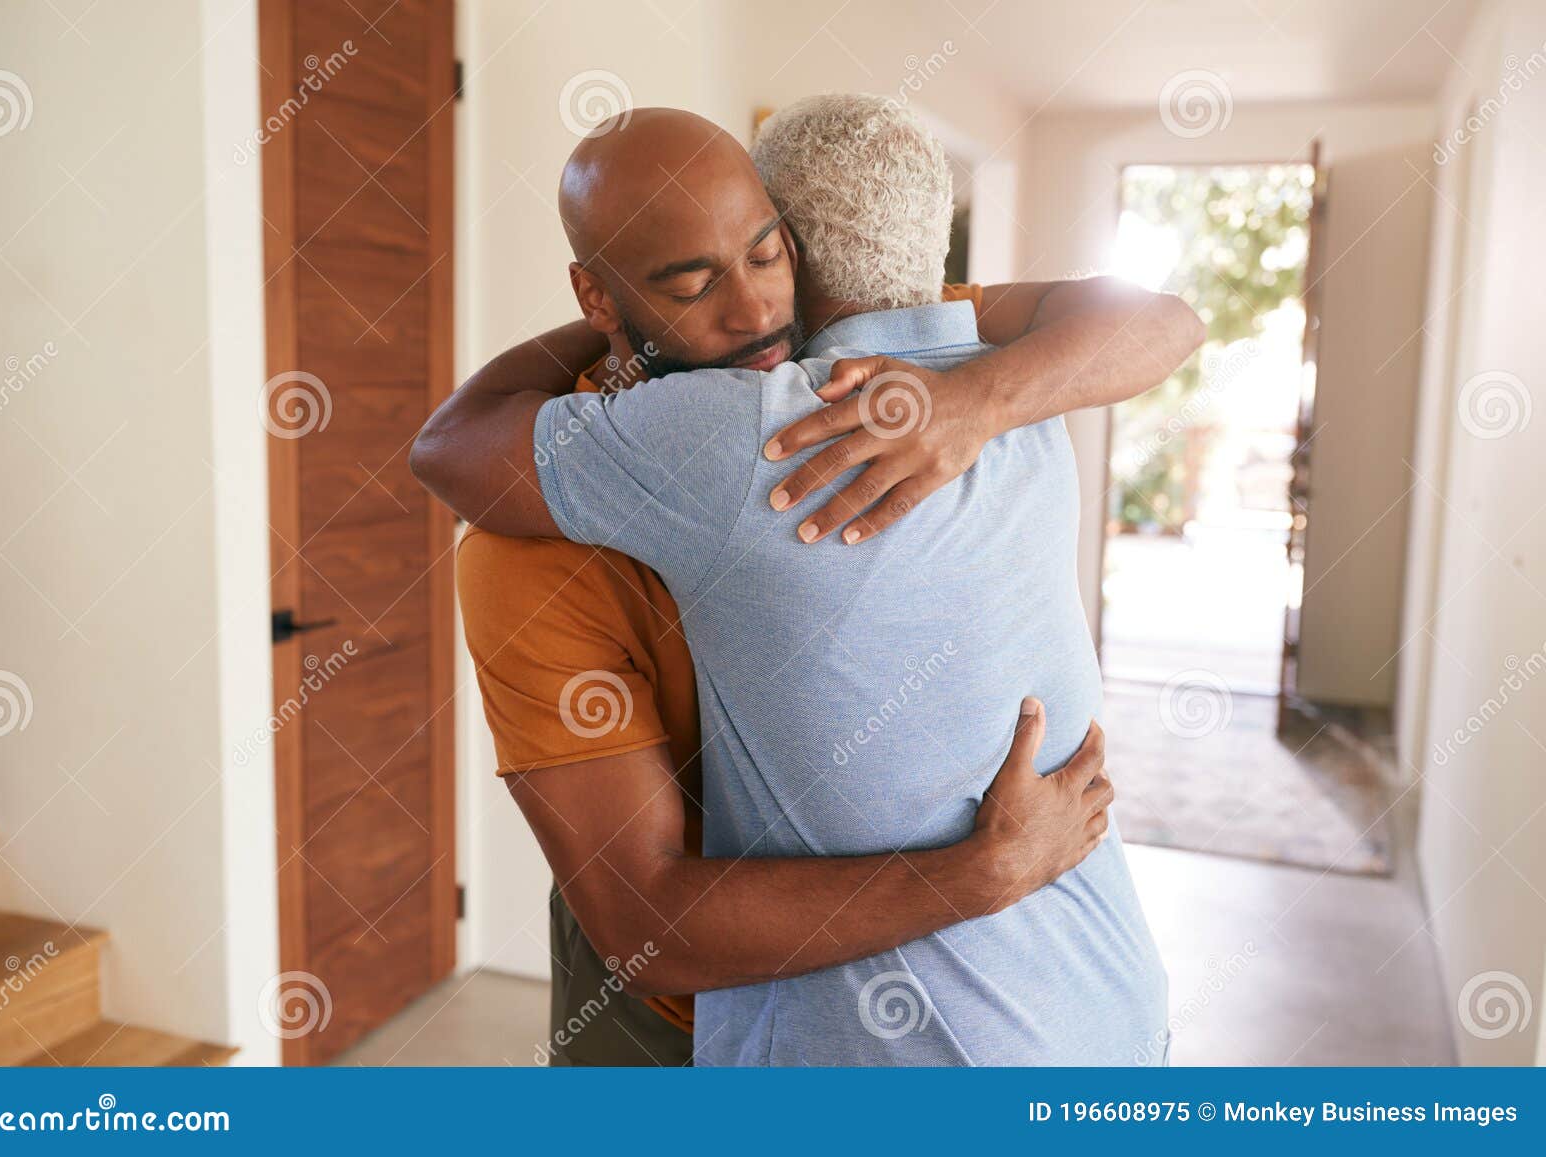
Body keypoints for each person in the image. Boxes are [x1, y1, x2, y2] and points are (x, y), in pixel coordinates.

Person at [412, 100, 1202, 1064]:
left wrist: (970, 405)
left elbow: (1162, 318)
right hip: (679, 1000)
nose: (753, 312)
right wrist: (980, 872)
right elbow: (641, 921)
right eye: (690, 279)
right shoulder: (534, 549)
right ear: (600, 297)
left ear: (805, 255)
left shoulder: (909, 384)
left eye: (766, 253)